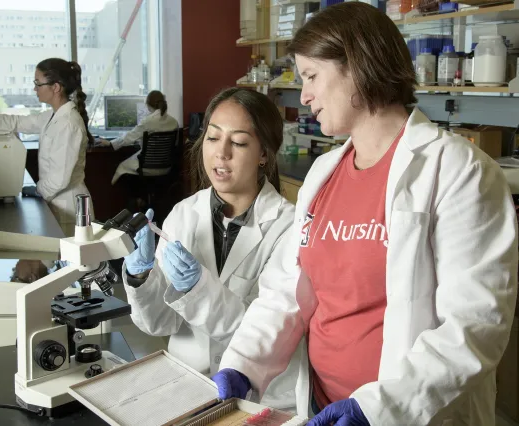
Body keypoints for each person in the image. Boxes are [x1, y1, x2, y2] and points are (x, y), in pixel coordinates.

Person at [212, 4, 518, 426]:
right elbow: (289, 289)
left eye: (312, 76)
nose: (304, 95)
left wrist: (375, 410)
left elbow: (474, 324)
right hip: (322, 407)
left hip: (406, 414)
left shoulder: (458, 170)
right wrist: (244, 363)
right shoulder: (324, 173)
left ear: (356, 64)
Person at [122, 87, 300, 411]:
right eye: (213, 137)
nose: (222, 153)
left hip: (260, 398)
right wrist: (142, 277)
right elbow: (159, 324)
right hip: (188, 387)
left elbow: (264, 334)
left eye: (240, 142)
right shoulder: (183, 214)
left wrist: (197, 289)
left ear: (264, 154)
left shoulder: (289, 228)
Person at [0, 58, 94, 237]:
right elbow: (22, 122)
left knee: (70, 262)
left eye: (38, 83)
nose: (35, 89)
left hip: (68, 206)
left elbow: (60, 178)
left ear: (55, 87)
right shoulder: (53, 115)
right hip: (57, 201)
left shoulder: (68, 123)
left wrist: (38, 190)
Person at [96, 90, 178, 185]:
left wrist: (110, 143)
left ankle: (121, 195)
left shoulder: (147, 122)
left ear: (147, 105)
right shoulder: (174, 122)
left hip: (147, 168)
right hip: (166, 168)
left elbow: (128, 138)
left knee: (121, 167)